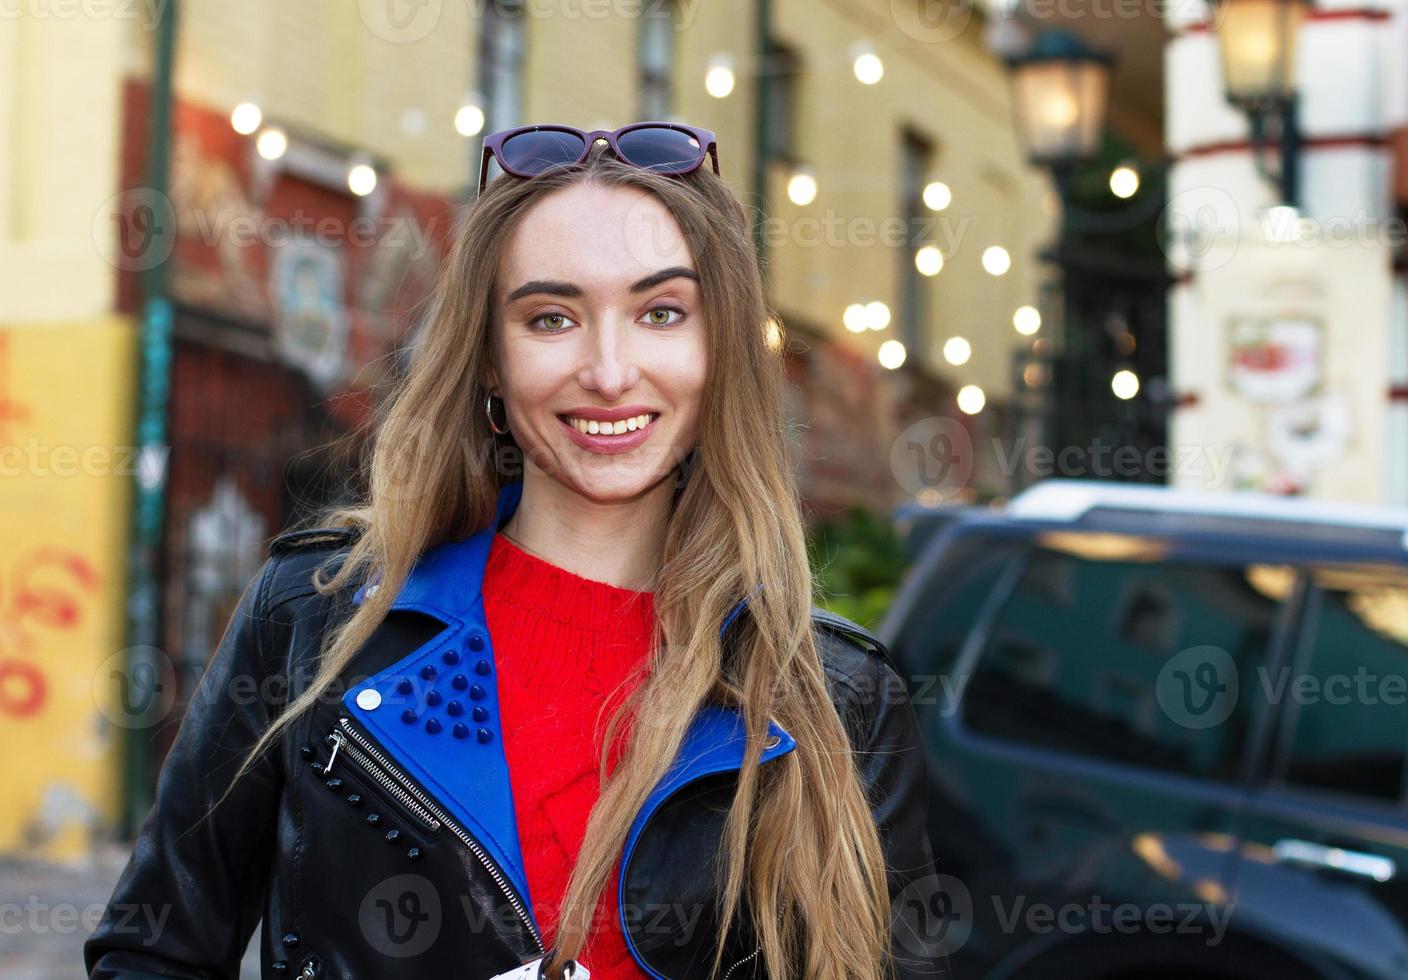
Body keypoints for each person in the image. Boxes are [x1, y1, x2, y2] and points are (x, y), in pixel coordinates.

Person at [84, 123, 952, 980]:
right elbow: (150, 953)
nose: (609, 371)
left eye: (660, 312)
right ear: (491, 360)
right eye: (551, 317)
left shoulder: (840, 702)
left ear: (718, 349)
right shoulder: (315, 614)